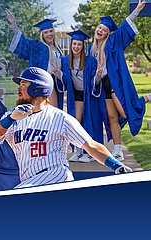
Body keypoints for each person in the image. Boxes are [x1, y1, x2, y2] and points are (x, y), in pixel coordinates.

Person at [0, 67, 132, 188]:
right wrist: (10, 118)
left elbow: (91, 145)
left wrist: (116, 165)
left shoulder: (60, 118)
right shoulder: (13, 116)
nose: (19, 89)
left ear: (38, 88)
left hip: (55, 177)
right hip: (30, 181)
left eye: (24, 85)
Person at [89, 0, 150, 161]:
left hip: (113, 83)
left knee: (124, 112)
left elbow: (124, 27)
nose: (101, 30)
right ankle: (117, 150)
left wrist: (136, 10)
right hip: (103, 87)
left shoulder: (112, 42)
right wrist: (96, 75)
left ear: (108, 33)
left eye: (104, 29)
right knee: (112, 118)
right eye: (99, 28)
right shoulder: (92, 49)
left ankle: (145, 98)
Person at [60, 30, 109, 162]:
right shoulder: (64, 61)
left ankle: (92, 153)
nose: (76, 47)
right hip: (75, 94)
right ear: (71, 45)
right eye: (74, 44)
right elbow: (64, 82)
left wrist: (98, 76)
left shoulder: (90, 61)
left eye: (79, 44)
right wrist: (59, 74)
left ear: (83, 47)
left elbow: (95, 81)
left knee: (90, 121)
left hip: (89, 95)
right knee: (76, 121)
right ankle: (78, 150)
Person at [6, 10, 64, 109]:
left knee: (54, 110)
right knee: (49, 110)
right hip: (43, 81)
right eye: (46, 32)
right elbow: (24, 42)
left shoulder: (58, 49)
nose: (49, 34)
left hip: (57, 82)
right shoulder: (38, 46)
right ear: (42, 35)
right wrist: (14, 25)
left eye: (50, 31)